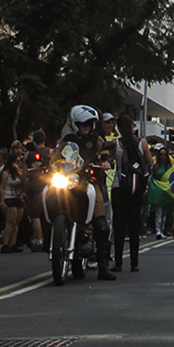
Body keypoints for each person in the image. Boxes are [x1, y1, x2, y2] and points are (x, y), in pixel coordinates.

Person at [53, 104, 116, 280]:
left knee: (101, 226)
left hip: (89, 181)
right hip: (69, 181)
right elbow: (56, 155)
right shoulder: (67, 140)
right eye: (82, 124)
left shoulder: (96, 140)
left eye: (88, 123)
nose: (86, 127)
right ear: (75, 124)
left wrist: (106, 160)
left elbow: (105, 151)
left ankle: (103, 268)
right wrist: (48, 163)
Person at [111, 115, 152, 272]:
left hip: (119, 187)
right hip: (136, 188)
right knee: (134, 226)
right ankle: (134, 263)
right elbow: (150, 163)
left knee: (119, 226)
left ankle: (118, 262)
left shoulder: (116, 144)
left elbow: (110, 160)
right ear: (132, 126)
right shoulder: (142, 143)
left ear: (119, 128)